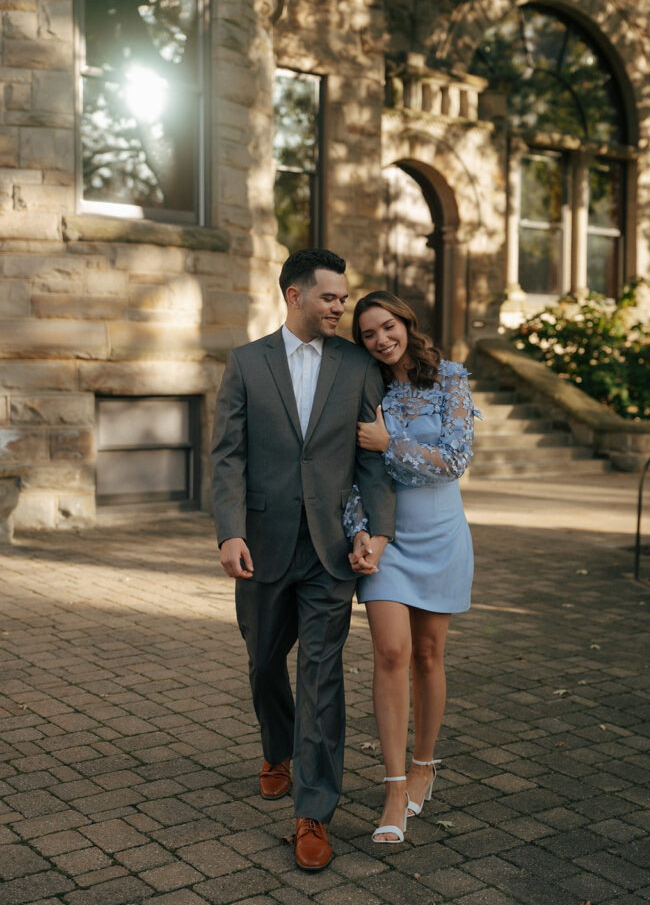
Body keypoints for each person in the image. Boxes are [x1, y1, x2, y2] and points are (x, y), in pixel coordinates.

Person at [210, 249, 396, 871]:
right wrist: (229, 532)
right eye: (331, 298)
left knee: (321, 675)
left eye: (344, 298)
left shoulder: (357, 363)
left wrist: (378, 531)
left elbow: (371, 457)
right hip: (261, 544)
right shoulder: (246, 363)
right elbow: (227, 455)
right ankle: (275, 748)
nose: (342, 307)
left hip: (329, 549)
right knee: (264, 662)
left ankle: (313, 811)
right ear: (295, 296)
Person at [344, 290, 478, 844]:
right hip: (386, 538)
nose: (380, 340)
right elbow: (352, 471)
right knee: (391, 652)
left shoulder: (450, 378)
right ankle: (395, 787)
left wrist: (388, 441)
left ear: (405, 322)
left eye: (387, 327)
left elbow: (454, 460)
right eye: (369, 334)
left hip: (443, 535)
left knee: (428, 654)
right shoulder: (362, 386)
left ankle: (425, 764)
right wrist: (358, 530)